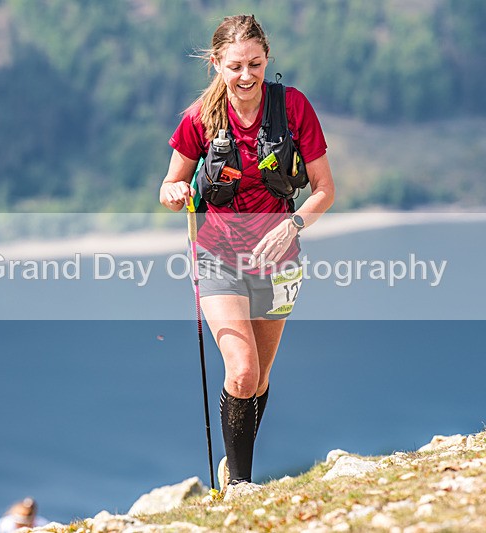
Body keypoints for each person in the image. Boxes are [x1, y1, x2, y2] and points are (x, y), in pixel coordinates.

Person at [159, 15, 334, 499]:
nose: (246, 75)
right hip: (217, 256)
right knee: (241, 369)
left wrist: (293, 223)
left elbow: (324, 191)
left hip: (280, 261)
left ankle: (232, 468)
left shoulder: (293, 107)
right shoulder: (200, 117)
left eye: (255, 63)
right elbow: (169, 184)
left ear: (267, 60)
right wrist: (176, 191)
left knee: (258, 381)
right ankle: (240, 485)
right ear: (216, 64)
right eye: (234, 65)